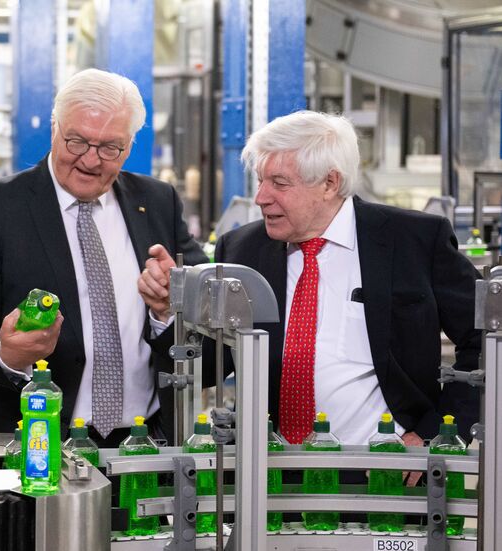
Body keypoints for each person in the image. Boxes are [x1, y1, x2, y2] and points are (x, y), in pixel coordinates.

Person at [139, 111, 480, 468]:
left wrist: (435, 433)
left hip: (386, 470)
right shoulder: (241, 250)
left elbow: (484, 340)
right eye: (260, 181)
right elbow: (210, 366)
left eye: (279, 183)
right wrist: (166, 312)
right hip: (267, 474)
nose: (261, 198)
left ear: (330, 183)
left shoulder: (414, 240)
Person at [0, 68, 206, 447]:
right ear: (54, 129)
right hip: (31, 440)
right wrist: (6, 353)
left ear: (129, 146)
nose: (91, 160)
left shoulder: (157, 202)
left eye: (110, 147)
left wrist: (169, 308)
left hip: (145, 440)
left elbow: (203, 314)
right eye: (77, 141)